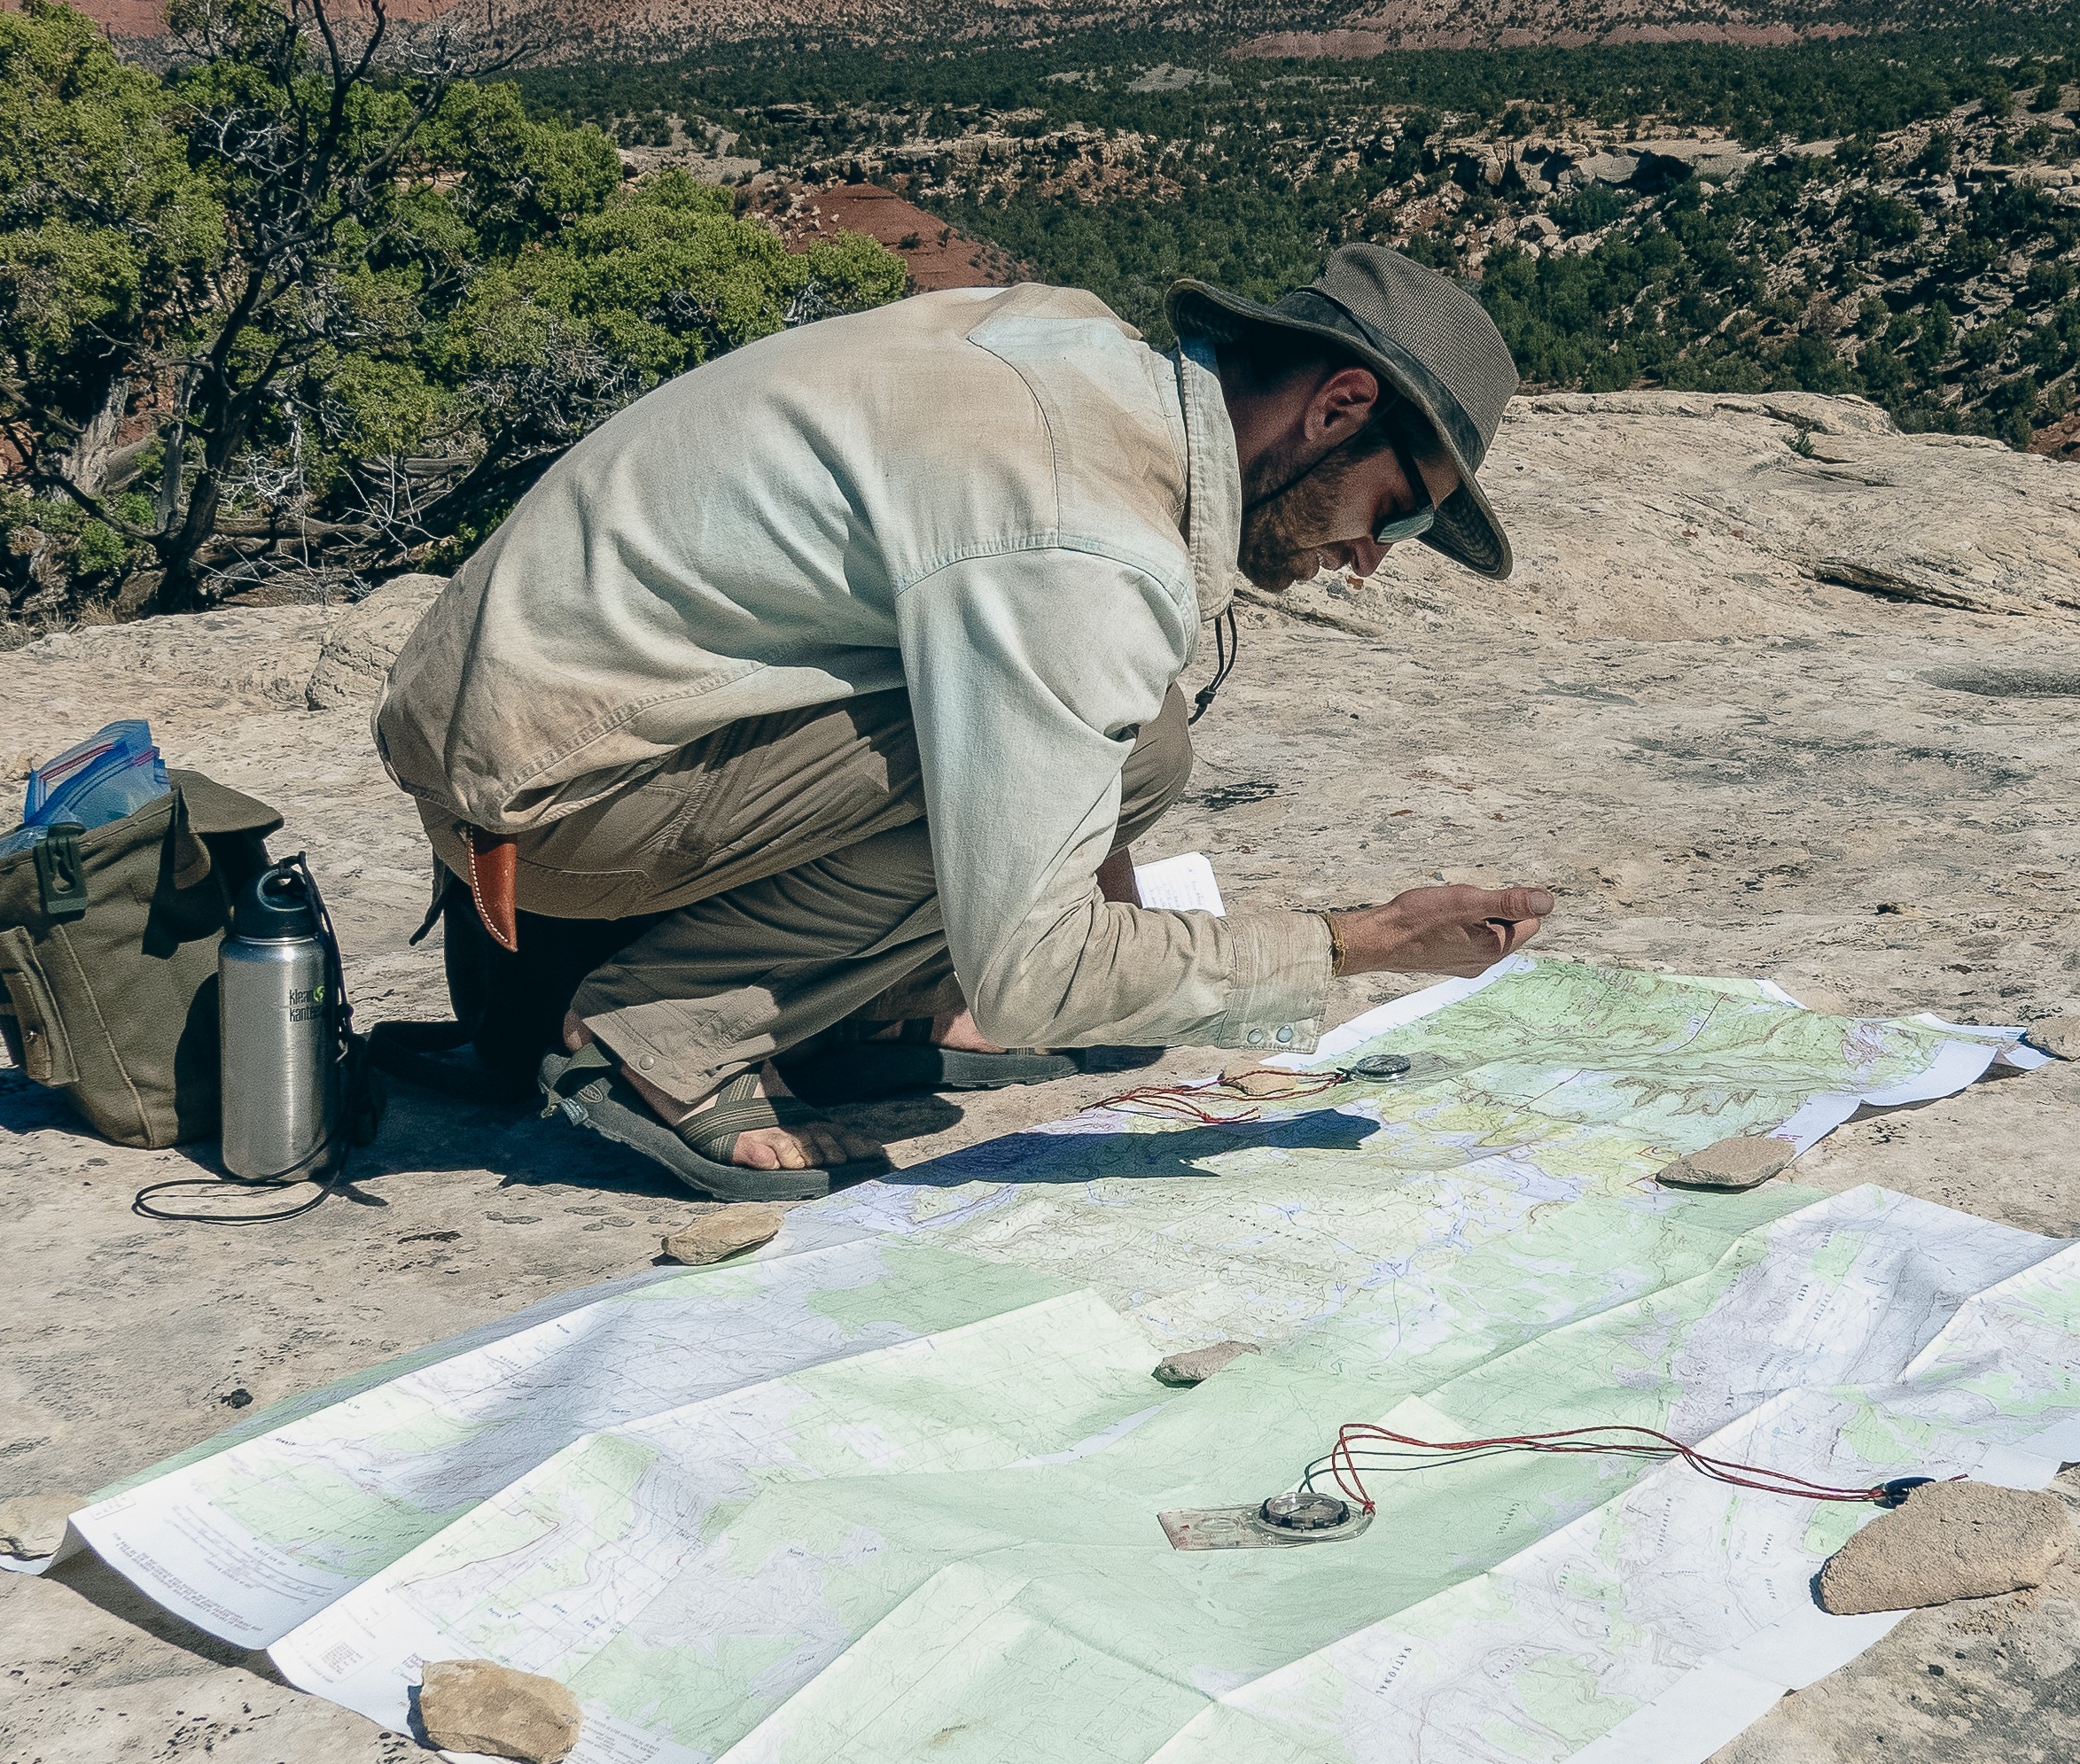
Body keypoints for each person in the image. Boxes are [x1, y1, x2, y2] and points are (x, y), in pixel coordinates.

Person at [373, 242, 1554, 1198]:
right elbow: (1037, 962)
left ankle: (868, 999)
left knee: (1132, 744)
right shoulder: (1081, 531)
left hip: (541, 734)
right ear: (1340, 405)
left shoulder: (1075, 346)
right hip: (556, 809)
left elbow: (1054, 708)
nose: (1367, 564)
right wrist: (1366, 942)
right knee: (1125, 757)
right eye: (1395, 517)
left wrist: (1089, 923)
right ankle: (665, 1031)